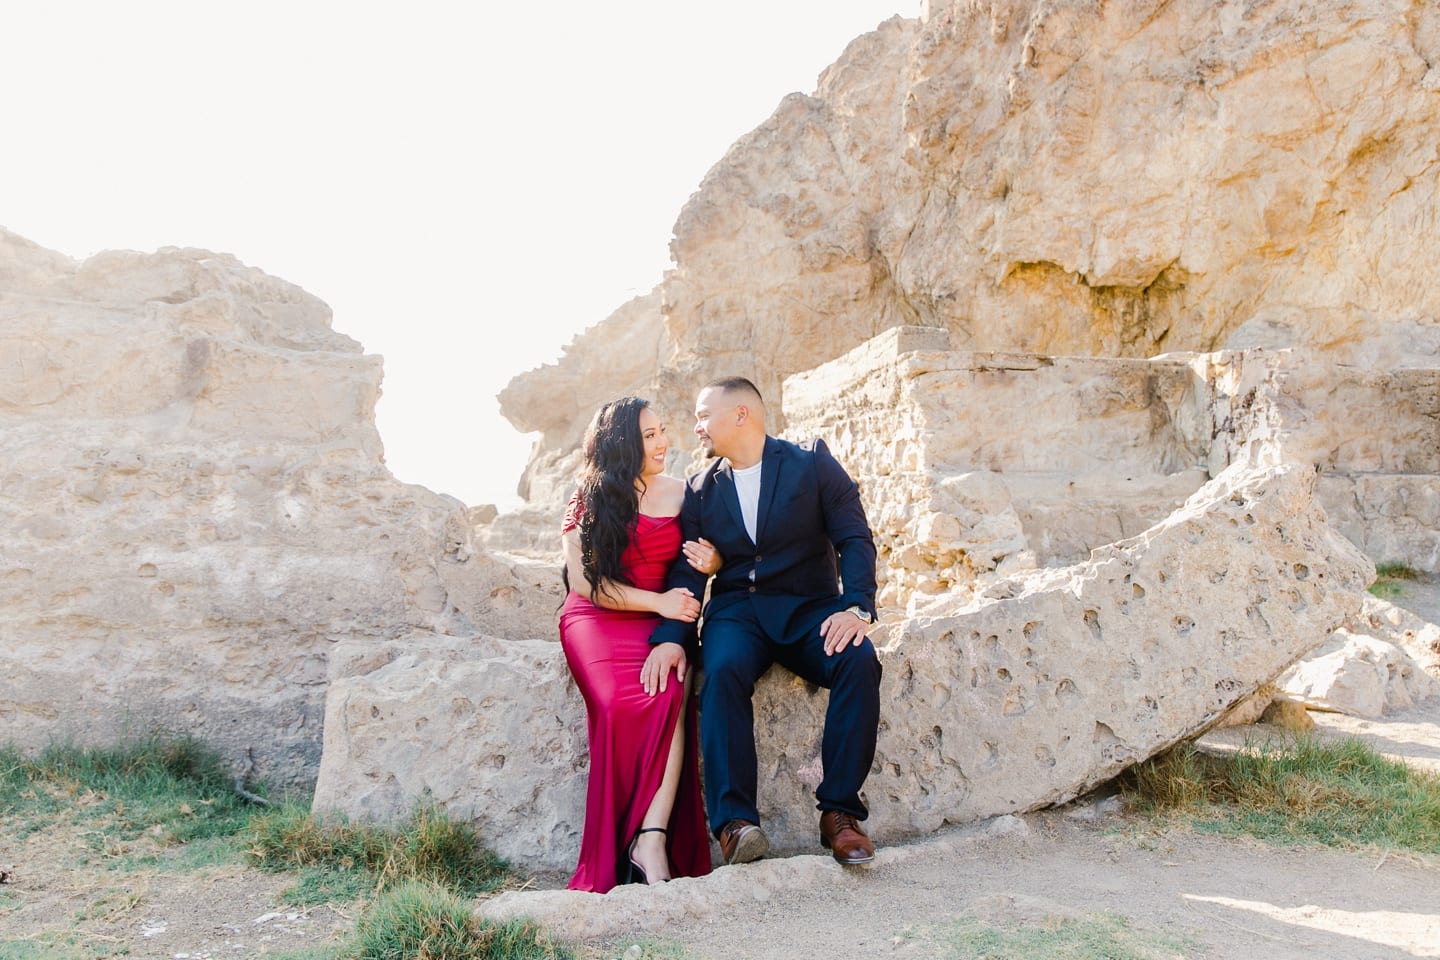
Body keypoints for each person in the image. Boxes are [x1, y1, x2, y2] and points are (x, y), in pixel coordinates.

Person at [643, 376, 883, 867]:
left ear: (741, 415)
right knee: (722, 670)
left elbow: (854, 537)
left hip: (809, 609)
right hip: (737, 613)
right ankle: (735, 824)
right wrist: (671, 638)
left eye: (703, 414)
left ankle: (839, 814)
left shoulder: (811, 461)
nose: (696, 426)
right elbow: (688, 573)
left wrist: (857, 607)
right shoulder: (701, 490)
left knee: (859, 661)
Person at [559, 396, 720, 892]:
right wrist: (658, 603)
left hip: (660, 621)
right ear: (621, 442)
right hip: (598, 617)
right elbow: (587, 585)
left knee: (671, 688)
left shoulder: (685, 492)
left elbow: (699, 564)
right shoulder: (587, 497)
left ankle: (650, 839)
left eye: (663, 430)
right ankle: (619, 839)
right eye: (649, 435)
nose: (663, 442)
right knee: (614, 703)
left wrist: (714, 564)